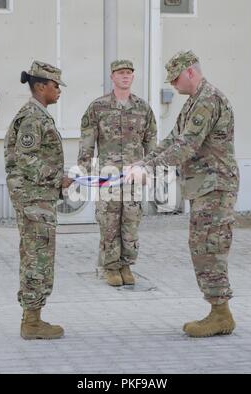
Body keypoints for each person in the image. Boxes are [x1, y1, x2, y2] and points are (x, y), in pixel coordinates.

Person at [125, 50, 240, 337]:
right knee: (201, 245)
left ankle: (220, 314)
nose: (173, 85)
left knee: (210, 247)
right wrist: (145, 161)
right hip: (203, 186)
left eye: (176, 79)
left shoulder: (208, 100)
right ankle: (218, 310)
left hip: (215, 185)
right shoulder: (193, 102)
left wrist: (149, 169)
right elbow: (172, 139)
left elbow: (187, 145)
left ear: (190, 72)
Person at [4, 60, 72, 340]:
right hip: (33, 199)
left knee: (38, 254)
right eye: (56, 86)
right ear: (41, 86)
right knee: (37, 256)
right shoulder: (33, 116)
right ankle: (31, 322)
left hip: (38, 197)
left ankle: (33, 318)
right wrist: (58, 178)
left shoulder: (39, 114)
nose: (59, 91)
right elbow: (26, 158)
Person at [78, 60, 157, 287]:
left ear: (133, 77)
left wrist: (150, 168)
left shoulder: (142, 108)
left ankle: (126, 264)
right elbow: (87, 140)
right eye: (121, 73)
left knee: (131, 220)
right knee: (109, 220)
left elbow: (151, 139)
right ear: (112, 76)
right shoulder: (98, 107)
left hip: (134, 176)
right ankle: (110, 266)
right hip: (108, 177)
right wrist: (84, 168)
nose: (125, 76)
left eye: (129, 73)